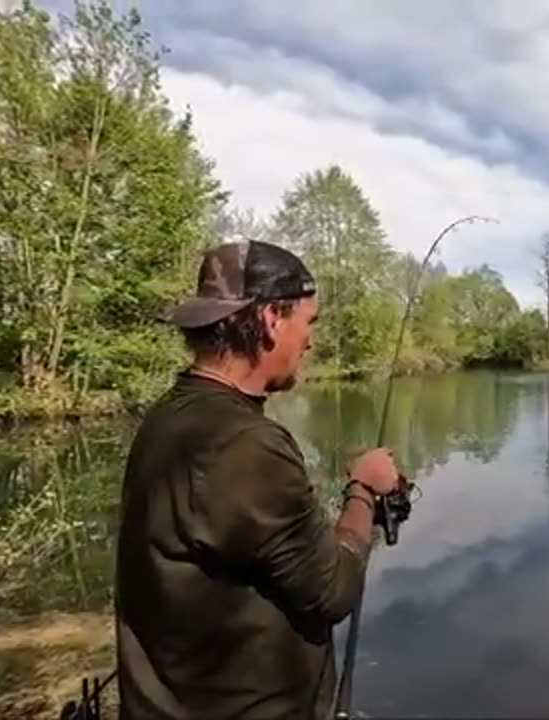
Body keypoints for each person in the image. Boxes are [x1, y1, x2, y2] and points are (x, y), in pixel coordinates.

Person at [114, 239, 400, 719]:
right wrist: (364, 488)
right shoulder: (243, 444)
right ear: (271, 319)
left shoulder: (169, 417)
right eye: (307, 322)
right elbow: (332, 590)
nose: (309, 340)